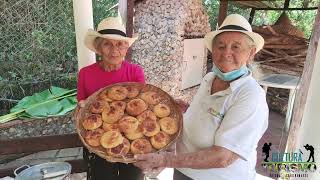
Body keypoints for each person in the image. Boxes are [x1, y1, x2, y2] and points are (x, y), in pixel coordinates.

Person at [134, 14, 269, 180]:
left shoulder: (251, 96)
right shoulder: (209, 78)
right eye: (220, 46)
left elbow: (223, 157)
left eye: (236, 47)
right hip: (184, 170)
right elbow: (210, 116)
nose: (226, 52)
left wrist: (166, 160)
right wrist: (188, 111)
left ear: (251, 53)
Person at [77, 16, 145, 180]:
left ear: (126, 48)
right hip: (98, 142)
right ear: (99, 48)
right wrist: (82, 106)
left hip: (130, 140)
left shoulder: (135, 72)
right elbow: (82, 106)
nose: (114, 50)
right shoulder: (86, 74)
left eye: (119, 44)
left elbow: (142, 107)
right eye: (107, 44)